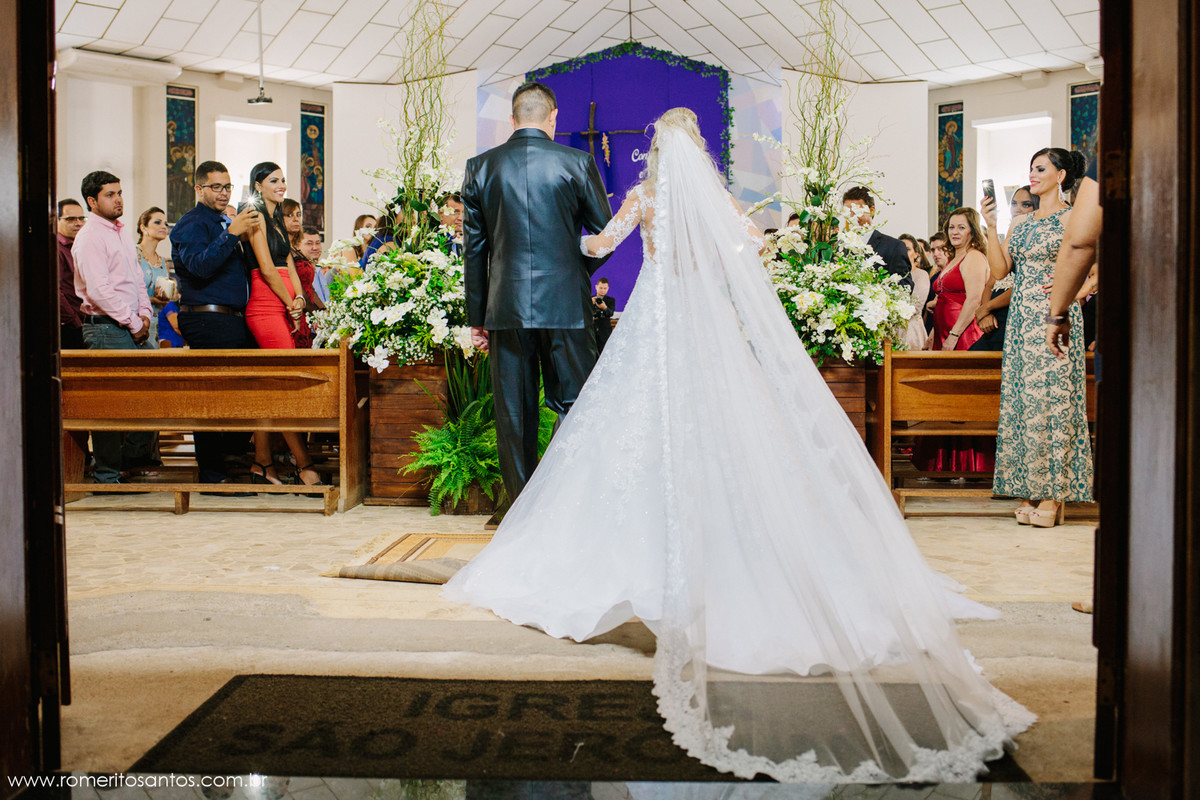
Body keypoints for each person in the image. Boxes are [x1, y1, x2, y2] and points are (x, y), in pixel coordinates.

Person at [445, 107, 1033, 783]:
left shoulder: (641, 197)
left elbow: (598, 248)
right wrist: (718, 264)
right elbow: (753, 242)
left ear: (654, 154)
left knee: (625, 431)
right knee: (727, 424)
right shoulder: (718, 198)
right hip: (707, 320)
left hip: (653, 322)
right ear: (698, 150)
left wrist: (541, 241)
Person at [461, 80, 613, 506]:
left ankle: (521, 513)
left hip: (505, 308)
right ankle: (577, 504)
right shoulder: (577, 162)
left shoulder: (480, 167)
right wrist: (574, 273)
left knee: (514, 414)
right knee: (577, 405)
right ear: (553, 117)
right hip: (566, 306)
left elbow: (474, 252)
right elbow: (607, 234)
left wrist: (477, 316)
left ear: (512, 119)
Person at [983, 148, 1094, 528]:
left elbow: (1098, 266)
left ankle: (1053, 494)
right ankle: (1029, 489)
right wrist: (989, 225)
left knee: (1054, 401)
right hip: (1020, 325)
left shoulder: (1074, 218)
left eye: (1041, 168)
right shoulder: (1023, 223)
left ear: (1061, 175)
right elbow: (1000, 271)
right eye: (1030, 168)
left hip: (1057, 319)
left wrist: (1073, 294)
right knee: (1023, 403)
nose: (1032, 174)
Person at [170, 159, 262, 492]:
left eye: (227, 187)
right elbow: (198, 267)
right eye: (216, 187)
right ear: (199, 189)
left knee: (243, 390)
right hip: (207, 318)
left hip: (231, 319)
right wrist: (231, 233)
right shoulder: (192, 222)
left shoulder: (224, 220)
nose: (223, 193)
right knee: (211, 394)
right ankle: (210, 469)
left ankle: (232, 455)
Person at [239, 161, 324, 486]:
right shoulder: (255, 216)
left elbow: (287, 259)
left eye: (283, 180)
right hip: (265, 305)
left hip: (286, 303)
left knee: (273, 388)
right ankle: (304, 464)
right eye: (274, 180)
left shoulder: (276, 219)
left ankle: (262, 462)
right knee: (287, 383)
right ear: (258, 185)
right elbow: (268, 267)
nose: (282, 184)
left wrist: (300, 298)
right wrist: (291, 303)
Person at [72, 170, 156, 484]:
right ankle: (107, 474)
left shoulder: (119, 232)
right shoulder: (90, 236)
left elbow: (135, 278)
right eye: (110, 194)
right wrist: (135, 322)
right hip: (105, 328)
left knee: (150, 400)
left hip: (132, 326)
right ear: (92, 201)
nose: (118, 199)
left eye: (119, 192)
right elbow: (98, 290)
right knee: (110, 405)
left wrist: (145, 313)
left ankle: (128, 464)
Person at [912, 208, 994, 476]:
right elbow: (944, 299)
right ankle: (944, 463)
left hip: (963, 333)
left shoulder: (974, 257)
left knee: (961, 399)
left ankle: (969, 464)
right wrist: (935, 336)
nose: (955, 233)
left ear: (972, 230)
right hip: (945, 333)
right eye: (951, 228)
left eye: (961, 227)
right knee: (943, 398)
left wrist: (955, 335)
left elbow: (973, 300)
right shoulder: (954, 257)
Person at [969, 186, 1039, 352]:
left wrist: (986, 308)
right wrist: (991, 226)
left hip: (1020, 316)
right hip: (996, 318)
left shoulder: (1039, 238)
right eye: (1014, 203)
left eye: (1026, 204)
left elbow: (1025, 283)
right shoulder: (1013, 232)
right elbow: (994, 278)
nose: (1017, 209)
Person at [841, 186, 913, 290]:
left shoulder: (894, 247)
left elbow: (906, 286)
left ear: (871, 211)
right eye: (848, 212)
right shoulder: (841, 245)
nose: (851, 217)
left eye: (857, 211)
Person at [282, 199, 318, 347]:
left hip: (306, 311)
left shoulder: (296, 250)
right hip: (296, 309)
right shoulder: (283, 250)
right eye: (289, 215)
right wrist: (316, 312)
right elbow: (295, 284)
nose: (296, 219)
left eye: (298, 214)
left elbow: (310, 287)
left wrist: (322, 310)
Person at [136, 206, 173, 346]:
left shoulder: (164, 262)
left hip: (155, 323)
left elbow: (165, 301)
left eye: (166, 224)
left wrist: (164, 300)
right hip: (135, 321)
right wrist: (151, 299)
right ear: (143, 227)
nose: (164, 226)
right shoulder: (133, 253)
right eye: (157, 222)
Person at [57, 198, 87, 349]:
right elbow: (55, 292)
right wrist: (75, 321)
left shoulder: (79, 247)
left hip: (84, 322)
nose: (78, 223)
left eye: (81, 218)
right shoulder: (56, 248)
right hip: (69, 327)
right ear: (56, 221)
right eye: (70, 219)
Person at [898, 233, 929, 350]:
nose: (903, 252)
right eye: (900, 249)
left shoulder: (921, 275)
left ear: (916, 253)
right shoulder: (891, 275)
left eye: (907, 249)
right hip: (893, 328)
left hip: (911, 329)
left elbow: (916, 306)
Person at [591, 277, 615, 354]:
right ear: (596, 287)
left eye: (605, 288)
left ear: (608, 288)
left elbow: (610, 313)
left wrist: (605, 308)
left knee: (604, 353)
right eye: (601, 288)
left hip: (604, 332)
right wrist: (589, 303)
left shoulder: (610, 300)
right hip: (591, 330)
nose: (603, 290)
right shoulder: (590, 299)